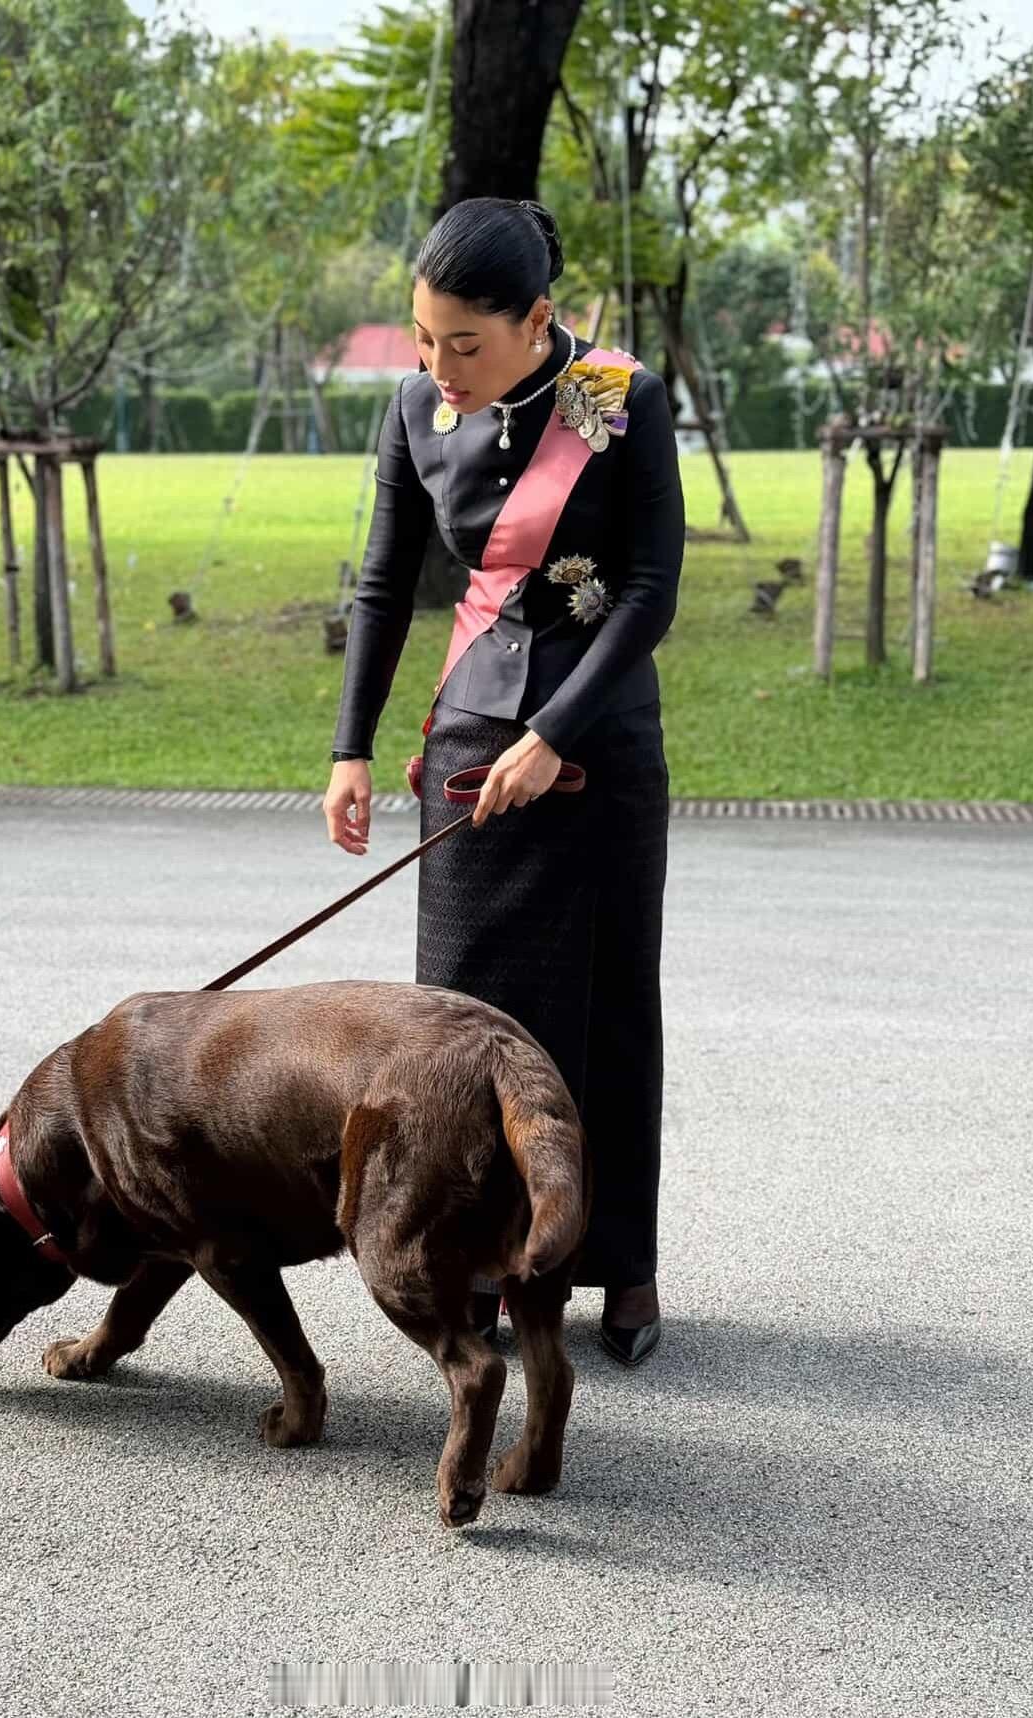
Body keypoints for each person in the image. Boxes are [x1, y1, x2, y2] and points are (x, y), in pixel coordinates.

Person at [322, 197, 685, 1366]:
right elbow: (382, 583)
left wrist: (557, 732)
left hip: (602, 746)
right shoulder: (415, 407)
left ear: (540, 320)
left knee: (608, 1006)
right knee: (462, 1030)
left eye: (465, 343)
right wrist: (352, 745)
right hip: (472, 740)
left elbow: (649, 589)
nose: (439, 367)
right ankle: (475, 1260)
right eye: (423, 339)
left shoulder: (623, 398)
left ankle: (619, 1262)